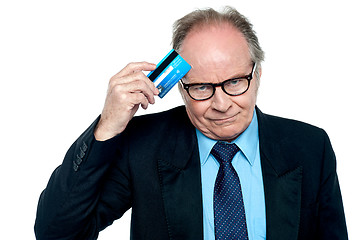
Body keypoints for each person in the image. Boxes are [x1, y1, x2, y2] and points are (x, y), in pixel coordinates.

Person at [34, 6, 348, 240]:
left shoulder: (310, 146)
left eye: (235, 82)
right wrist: (108, 127)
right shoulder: (143, 146)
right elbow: (57, 233)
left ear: (258, 74)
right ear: (179, 87)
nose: (221, 104)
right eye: (201, 88)